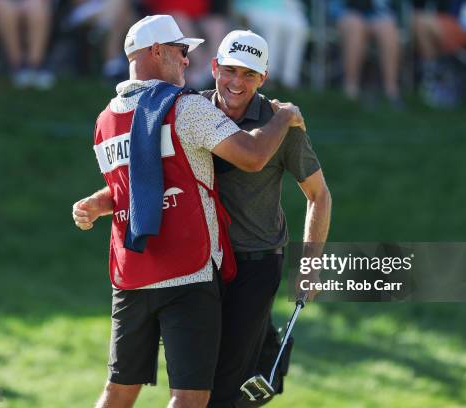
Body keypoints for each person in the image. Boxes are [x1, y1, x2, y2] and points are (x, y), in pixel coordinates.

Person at [71, 15, 305, 408]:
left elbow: (135, 185)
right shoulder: (188, 107)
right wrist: (284, 115)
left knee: (117, 391)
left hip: (132, 274)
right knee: (191, 398)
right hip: (187, 273)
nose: (186, 61)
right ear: (156, 51)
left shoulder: (105, 121)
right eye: (181, 51)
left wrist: (100, 202)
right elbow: (251, 157)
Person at [203, 30, 331, 407]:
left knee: (227, 379)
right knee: (198, 370)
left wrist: (311, 264)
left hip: (256, 261)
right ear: (213, 68)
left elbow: (319, 195)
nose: (236, 83)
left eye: (248, 75)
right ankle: (267, 354)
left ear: (264, 79)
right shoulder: (191, 111)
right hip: (202, 262)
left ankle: (264, 360)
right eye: (229, 71)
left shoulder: (281, 124)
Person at [327, 0, 402, 103]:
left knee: (388, 29)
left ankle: (391, 90)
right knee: (356, 26)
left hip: (377, 13)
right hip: (346, 11)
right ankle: (351, 87)